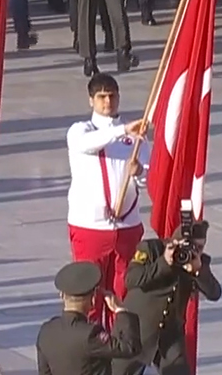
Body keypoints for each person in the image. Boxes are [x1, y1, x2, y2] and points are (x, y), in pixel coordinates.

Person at [65, 74, 148, 324]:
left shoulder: (135, 137)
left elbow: (149, 174)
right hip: (90, 228)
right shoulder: (81, 130)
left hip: (126, 227)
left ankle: (120, 350)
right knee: (88, 295)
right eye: (101, 96)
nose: (107, 101)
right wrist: (121, 130)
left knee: (123, 295)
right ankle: (89, 350)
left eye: (112, 95)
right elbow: (87, 145)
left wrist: (140, 172)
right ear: (91, 100)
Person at [113, 223, 222, 375]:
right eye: (192, 246)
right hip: (137, 330)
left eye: (200, 247)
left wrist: (198, 272)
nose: (195, 251)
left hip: (170, 335)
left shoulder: (197, 261)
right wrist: (164, 262)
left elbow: (214, 293)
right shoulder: (151, 249)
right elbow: (131, 279)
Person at [35, 262, 140, 375]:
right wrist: (121, 311)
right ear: (93, 299)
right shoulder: (90, 335)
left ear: (61, 295)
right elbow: (130, 347)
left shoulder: (46, 331)